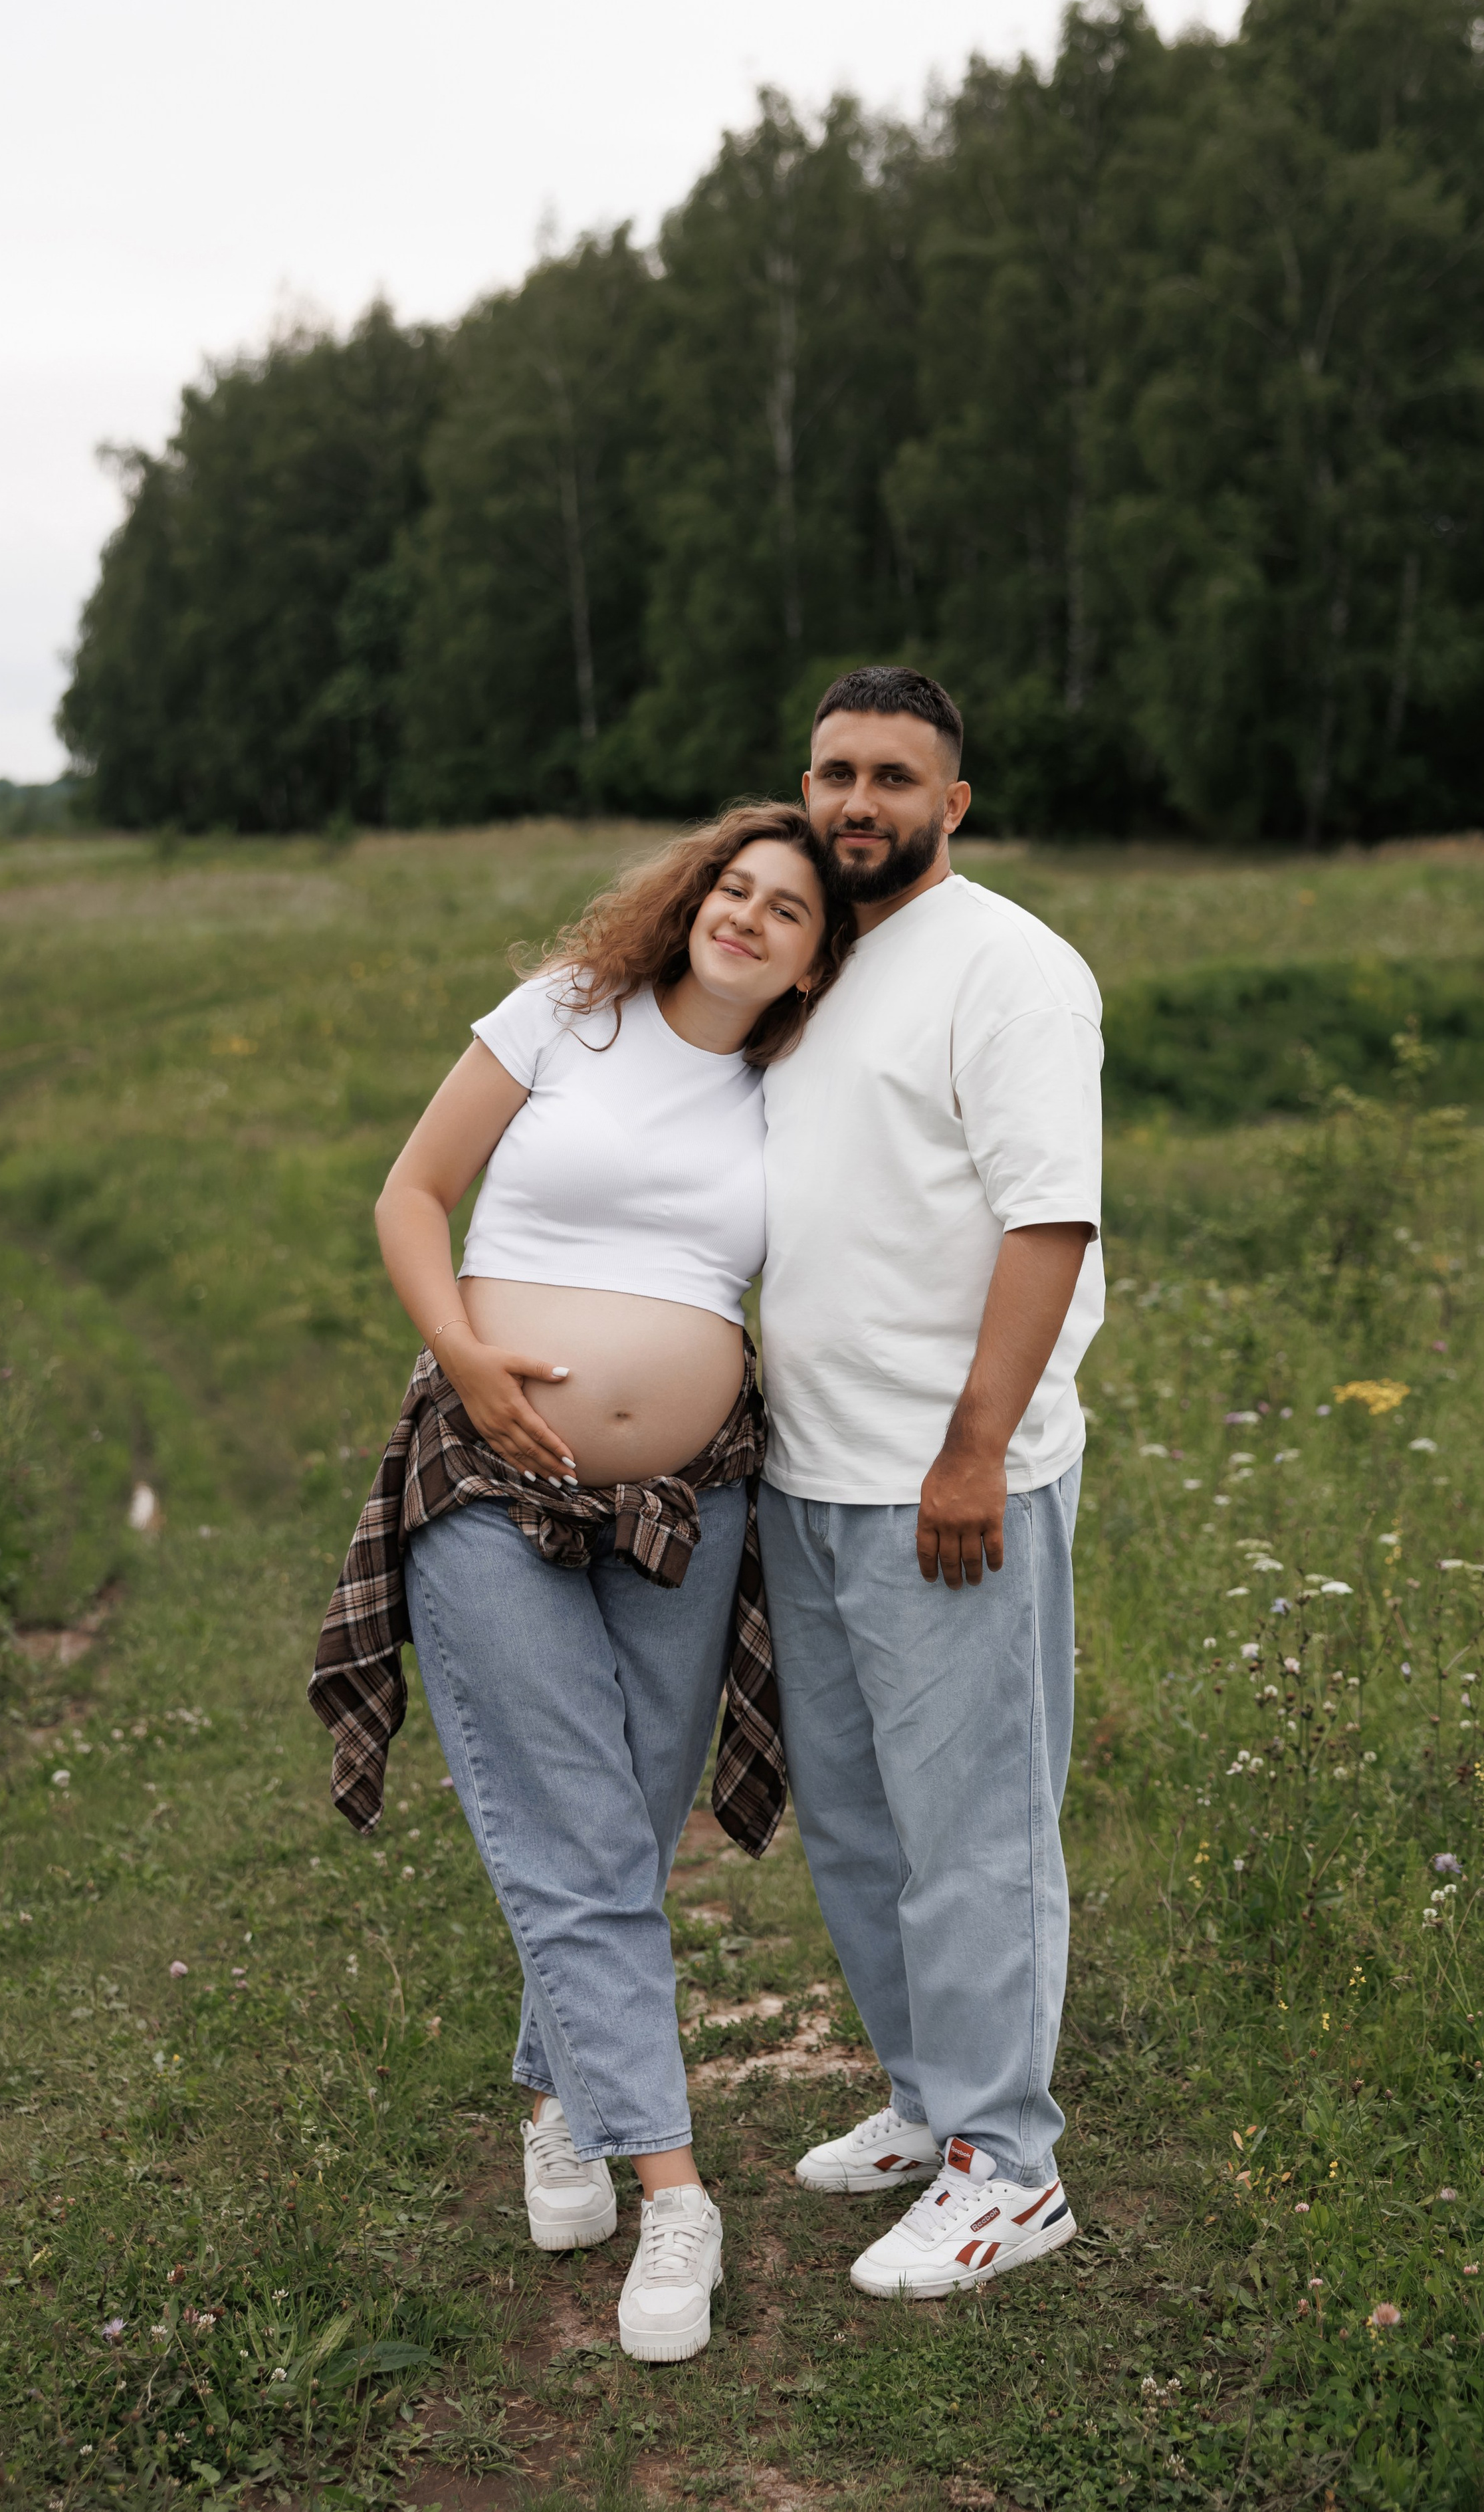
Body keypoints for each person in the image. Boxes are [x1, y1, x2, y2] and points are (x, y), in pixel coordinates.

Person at [308, 803, 851, 2363]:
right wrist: (468, 1362)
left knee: (625, 1823)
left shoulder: (790, 1086)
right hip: (488, 1474)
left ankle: (559, 2096)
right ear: (690, 896)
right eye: (731, 888)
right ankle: (678, 2192)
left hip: (692, 1500)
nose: (747, 917)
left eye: (787, 911)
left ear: (818, 958)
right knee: (568, 1826)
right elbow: (413, 1194)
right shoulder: (565, 1016)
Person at [758, 665, 1105, 2299]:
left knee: (971, 1833)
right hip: (808, 1476)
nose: (856, 803)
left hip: (948, 1484)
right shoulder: (821, 969)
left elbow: (1048, 1224)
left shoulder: (1009, 968)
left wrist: (972, 1451)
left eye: (893, 777)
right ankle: (921, 2104)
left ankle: (1005, 2169)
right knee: (858, 1821)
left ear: (951, 804)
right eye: (834, 772)